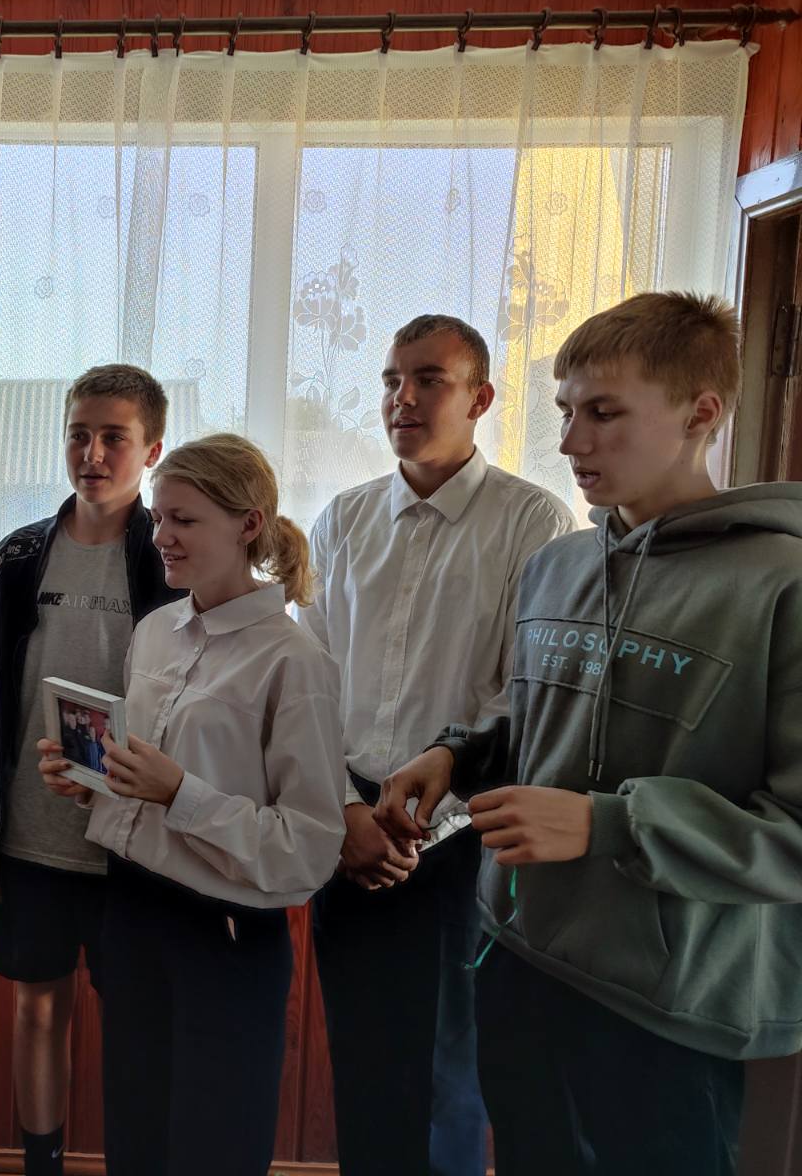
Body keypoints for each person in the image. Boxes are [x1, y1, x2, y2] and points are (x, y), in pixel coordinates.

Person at [377, 292, 802, 1176]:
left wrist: (609, 822)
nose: (571, 442)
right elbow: (537, 718)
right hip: (519, 960)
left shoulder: (782, 584)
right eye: (565, 410)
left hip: (669, 1007)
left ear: (701, 413)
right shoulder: (558, 564)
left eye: (604, 413)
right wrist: (457, 753)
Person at [297, 315, 572, 1176]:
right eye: (390, 379)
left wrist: (426, 819)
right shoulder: (343, 521)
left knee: (451, 1075)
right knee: (362, 1066)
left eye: (428, 380)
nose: (402, 398)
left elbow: (523, 689)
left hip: (459, 846)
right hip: (347, 834)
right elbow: (309, 682)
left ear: (481, 398)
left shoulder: (533, 521)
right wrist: (344, 813)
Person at [41, 433, 345, 1176]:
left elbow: (308, 849)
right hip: (132, 915)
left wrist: (181, 794)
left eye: (183, 519)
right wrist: (90, 779)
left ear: (249, 524)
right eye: (158, 518)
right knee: (135, 1146)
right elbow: (143, 785)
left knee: (213, 1153)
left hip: (226, 939)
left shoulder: (294, 661)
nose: (161, 537)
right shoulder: (154, 633)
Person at [0, 363, 180, 1176]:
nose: (93, 454)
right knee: (37, 1011)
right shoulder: (18, 555)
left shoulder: (172, 558)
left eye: (113, 438)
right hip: (31, 836)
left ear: (152, 449)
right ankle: (43, 1164)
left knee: (138, 1023)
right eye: (79, 435)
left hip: (136, 841)